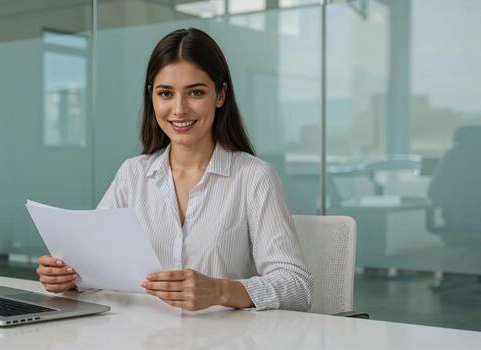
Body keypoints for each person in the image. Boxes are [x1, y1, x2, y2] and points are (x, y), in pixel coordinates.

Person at [36, 28, 313, 311]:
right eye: (165, 93)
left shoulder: (254, 178)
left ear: (220, 95)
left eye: (195, 92)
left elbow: (297, 287)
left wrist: (219, 291)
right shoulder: (133, 175)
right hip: (141, 337)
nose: (179, 109)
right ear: (152, 97)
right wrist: (68, 276)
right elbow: (96, 266)